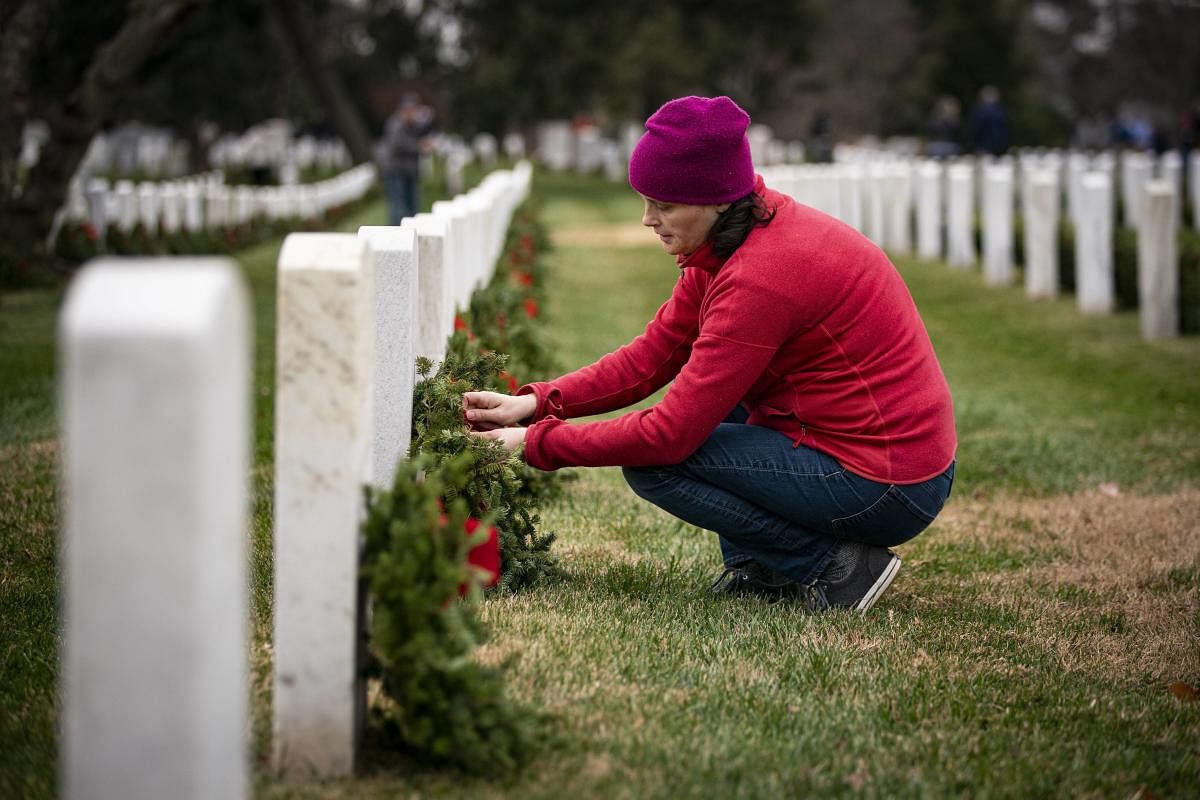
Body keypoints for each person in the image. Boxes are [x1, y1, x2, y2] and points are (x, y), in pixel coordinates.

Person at [464, 96, 956, 613]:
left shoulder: (762, 275)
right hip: (861, 448)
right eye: (647, 200)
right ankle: (763, 567)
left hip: (890, 480)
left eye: (666, 205)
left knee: (656, 464)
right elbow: (651, 358)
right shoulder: (733, 239)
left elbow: (669, 434)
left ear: (718, 200)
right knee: (719, 396)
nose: (648, 219)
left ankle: (836, 566)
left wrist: (533, 444)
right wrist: (536, 403)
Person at [379, 93, 433, 225]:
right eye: (409, 110)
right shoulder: (395, 124)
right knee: (398, 208)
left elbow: (427, 128)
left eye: (414, 109)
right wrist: (418, 147)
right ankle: (396, 237)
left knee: (412, 208)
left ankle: (411, 237)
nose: (412, 113)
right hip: (396, 171)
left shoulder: (414, 125)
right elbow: (396, 145)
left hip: (410, 172)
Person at [968, 85, 1009, 157]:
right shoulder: (1001, 111)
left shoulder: (979, 111)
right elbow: (1006, 131)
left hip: (982, 147)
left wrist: (972, 145)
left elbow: (974, 130)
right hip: (1000, 147)